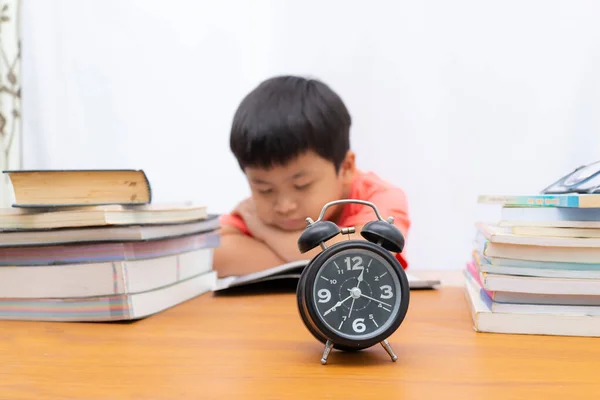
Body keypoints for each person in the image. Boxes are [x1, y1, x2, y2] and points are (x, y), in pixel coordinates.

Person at [213, 75, 410, 277]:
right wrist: (324, 260)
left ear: (346, 168)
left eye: (302, 185)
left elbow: (369, 258)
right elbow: (215, 254)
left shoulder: (379, 197)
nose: (284, 205)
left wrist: (266, 234)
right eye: (265, 190)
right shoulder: (251, 210)